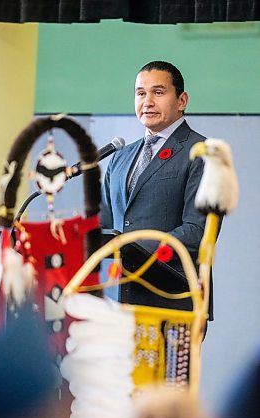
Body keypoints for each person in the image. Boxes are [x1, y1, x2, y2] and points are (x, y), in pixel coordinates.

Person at [101, 60, 215, 318]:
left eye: (158, 92)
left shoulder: (201, 152)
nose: (147, 101)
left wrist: (131, 247)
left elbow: (197, 231)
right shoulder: (119, 157)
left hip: (173, 301)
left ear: (182, 100)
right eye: (141, 93)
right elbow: (104, 226)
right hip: (117, 301)